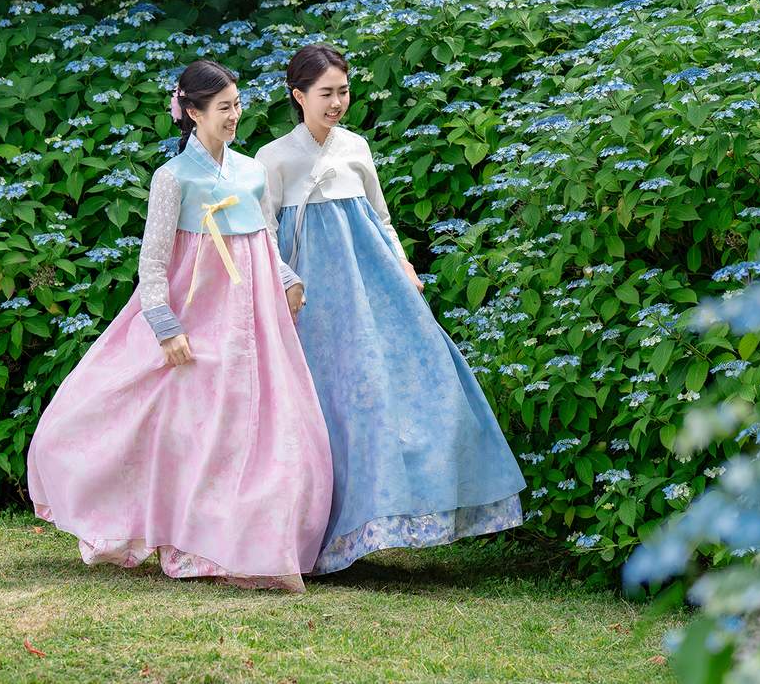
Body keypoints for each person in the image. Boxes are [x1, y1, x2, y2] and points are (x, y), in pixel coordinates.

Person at [27, 59, 333, 592]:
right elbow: (152, 264)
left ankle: (242, 542)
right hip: (198, 313)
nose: (235, 115)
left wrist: (288, 280)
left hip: (253, 322)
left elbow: (263, 237)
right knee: (189, 428)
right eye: (223, 108)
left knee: (254, 429)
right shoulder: (172, 179)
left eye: (237, 104)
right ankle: (186, 539)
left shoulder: (250, 172)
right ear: (191, 113)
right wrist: (165, 327)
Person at [255, 44, 526, 575]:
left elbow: (379, 218)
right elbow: (264, 233)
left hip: (374, 292)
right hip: (311, 302)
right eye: (326, 93)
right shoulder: (274, 159)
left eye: (344, 91)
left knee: (408, 388)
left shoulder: (355, 147)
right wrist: (286, 282)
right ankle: (318, 536)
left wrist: (404, 266)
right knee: (325, 406)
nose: (337, 102)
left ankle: (384, 524)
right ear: (298, 95)